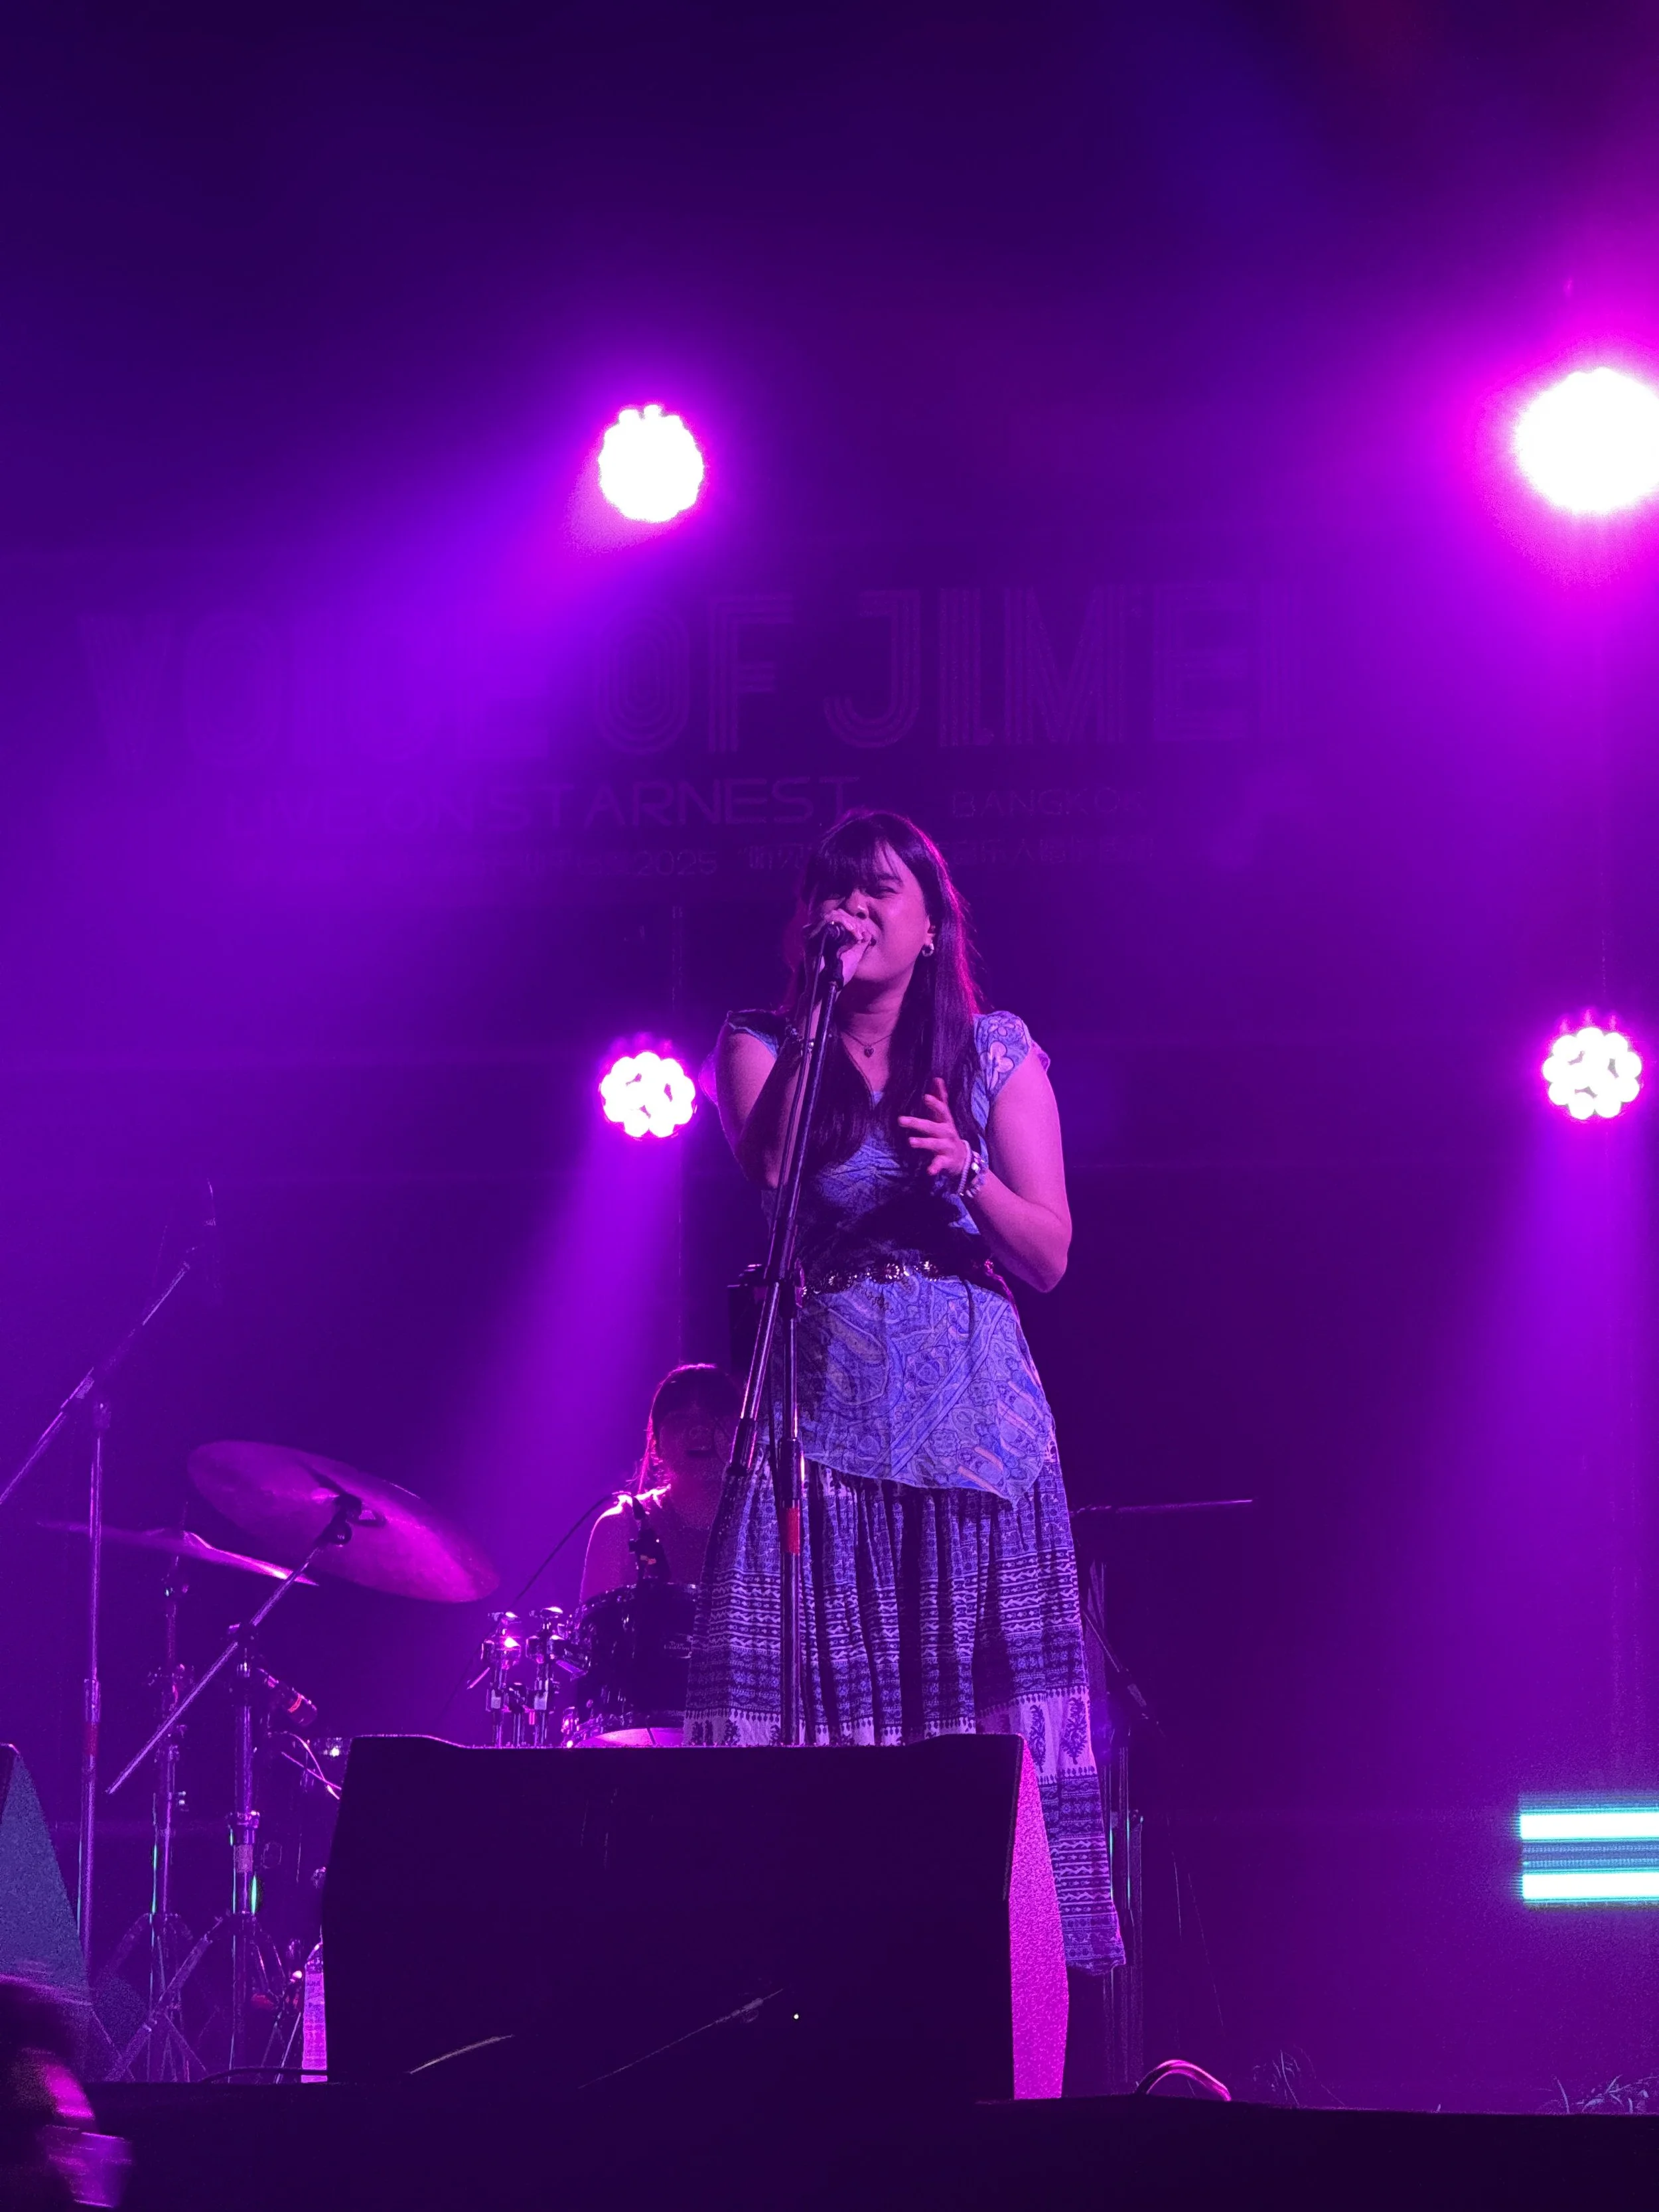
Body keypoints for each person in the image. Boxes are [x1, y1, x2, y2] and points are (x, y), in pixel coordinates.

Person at [687, 808, 1121, 1977]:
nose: (852, 907)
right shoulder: (760, 1043)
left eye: (879, 890)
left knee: (977, 1739)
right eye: (832, 890)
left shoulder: (992, 1051)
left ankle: (1005, 1983)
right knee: (824, 1736)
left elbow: (1049, 1251)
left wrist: (966, 1172)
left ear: (932, 925)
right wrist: (818, 1011)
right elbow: (771, 1167)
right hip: (822, 1427)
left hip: (978, 1432)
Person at [579, 1363, 741, 1601]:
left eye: (714, 1417)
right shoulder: (621, 1527)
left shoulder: (770, 1526)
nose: (698, 1430)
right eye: (680, 1419)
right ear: (656, 1442)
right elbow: (599, 1624)